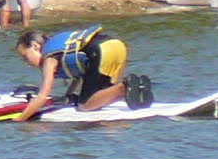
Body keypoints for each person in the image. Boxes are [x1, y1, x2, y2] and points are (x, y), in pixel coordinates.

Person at [10, 24, 151, 120]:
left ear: (36, 47)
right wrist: (69, 95)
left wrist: (20, 120)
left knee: (84, 106)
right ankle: (135, 91)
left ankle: (123, 88)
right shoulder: (60, 45)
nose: (26, 62)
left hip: (100, 51)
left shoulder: (49, 58)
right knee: (100, 96)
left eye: (25, 57)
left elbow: (42, 96)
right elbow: (78, 71)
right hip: (116, 45)